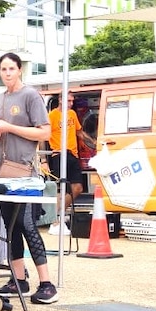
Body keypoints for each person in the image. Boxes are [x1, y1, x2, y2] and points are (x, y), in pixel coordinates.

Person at [0, 52, 58, 304]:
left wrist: (9, 128)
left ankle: (47, 283)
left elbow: (44, 132)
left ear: (19, 70)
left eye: (11, 68)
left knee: (27, 225)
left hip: (24, 172)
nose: (7, 73)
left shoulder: (30, 95)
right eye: (3, 69)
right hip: (1, 171)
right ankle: (19, 280)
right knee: (10, 226)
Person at [46, 92, 95, 235]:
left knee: (77, 188)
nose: (71, 103)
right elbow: (43, 136)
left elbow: (79, 132)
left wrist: (92, 142)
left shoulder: (72, 114)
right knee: (61, 188)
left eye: (72, 100)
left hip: (73, 154)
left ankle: (57, 215)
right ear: (60, 100)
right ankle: (55, 221)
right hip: (58, 154)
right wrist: (43, 160)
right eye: (68, 100)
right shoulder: (52, 116)